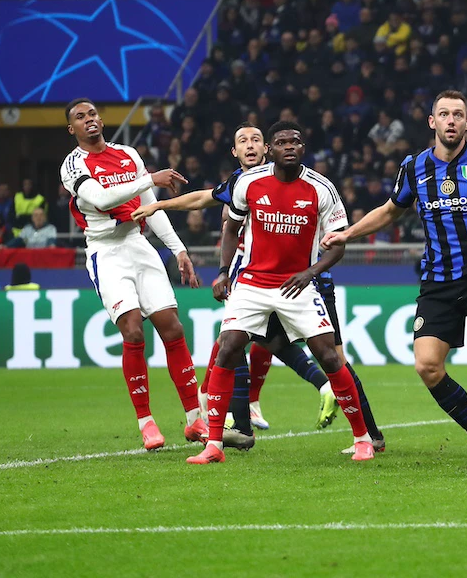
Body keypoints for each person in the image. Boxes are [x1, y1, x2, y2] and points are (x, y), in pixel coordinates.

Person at [323, 91, 467, 470]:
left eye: (458, 115)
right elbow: (390, 211)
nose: (451, 121)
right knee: (427, 366)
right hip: (438, 283)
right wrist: (348, 234)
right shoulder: (415, 167)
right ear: (432, 122)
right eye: (444, 114)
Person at [135, 123, 384, 451]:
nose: (250, 145)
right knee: (244, 343)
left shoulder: (315, 186)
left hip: (311, 282)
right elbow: (203, 199)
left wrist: (311, 272)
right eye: (243, 140)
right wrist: (160, 205)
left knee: (327, 356)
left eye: (255, 139)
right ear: (235, 151)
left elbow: (337, 239)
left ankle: (365, 431)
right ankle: (241, 423)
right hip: (259, 283)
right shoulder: (242, 182)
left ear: (265, 148)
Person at [59, 98, 207, 450]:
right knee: (133, 331)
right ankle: (146, 422)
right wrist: (149, 179)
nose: (89, 120)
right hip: (105, 252)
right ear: (72, 129)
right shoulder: (73, 164)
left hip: (139, 245)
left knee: (172, 327)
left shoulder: (127, 154)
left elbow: (149, 207)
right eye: (80, 117)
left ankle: (193, 419)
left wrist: (178, 248)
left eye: (92, 113)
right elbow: (102, 199)